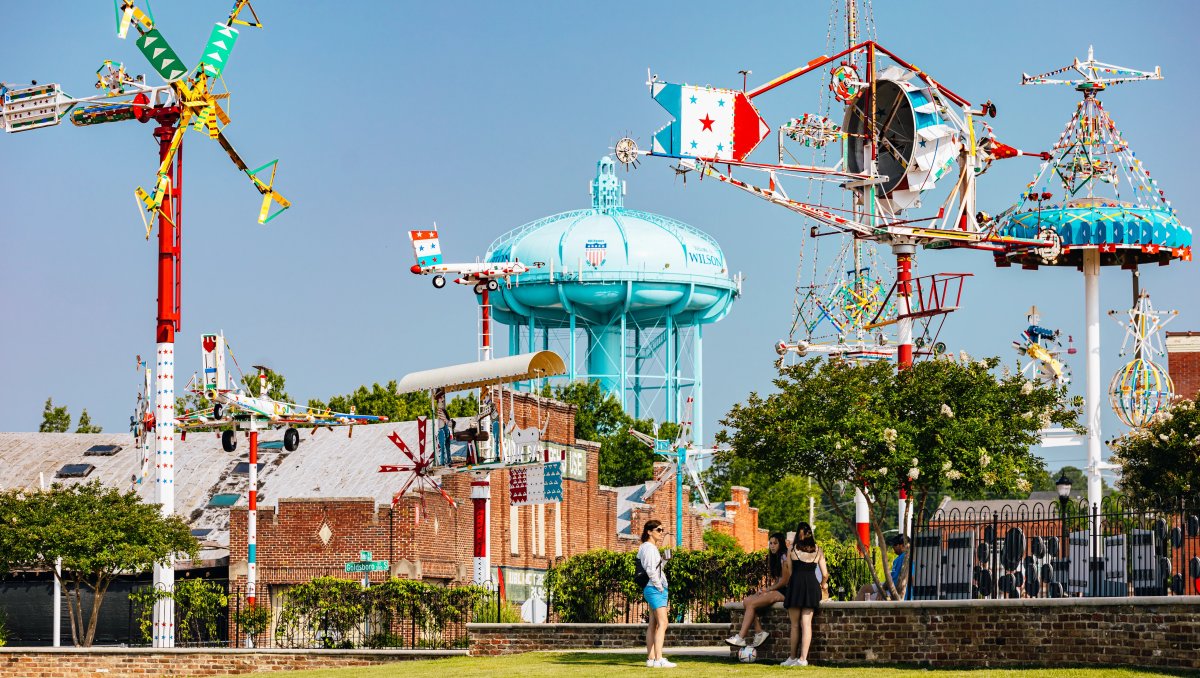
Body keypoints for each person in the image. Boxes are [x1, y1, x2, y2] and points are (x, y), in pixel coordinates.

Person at [726, 532, 789, 648]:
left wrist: (768, 589)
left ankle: (740, 637)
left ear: (781, 544)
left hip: (786, 591)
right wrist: (765, 590)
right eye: (770, 543)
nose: (772, 546)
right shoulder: (774, 558)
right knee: (747, 601)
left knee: (752, 604)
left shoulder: (784, 556)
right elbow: (777, 580)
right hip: (778, 589)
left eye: (775, 543)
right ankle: (759, 632)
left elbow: (784, 581)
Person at [781, 521, 827, 667]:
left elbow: (789, 571)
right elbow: (825, 574)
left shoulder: (792, 549)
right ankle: (803, 659)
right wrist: (822, 584)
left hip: (796, 586)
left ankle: (792, 657)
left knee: (795, 625)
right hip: (812, 586)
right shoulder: (818, 550)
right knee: (806, 624)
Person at [638, 519, 675, 669]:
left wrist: (664, 560)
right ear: (649, 532)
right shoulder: (648, 548)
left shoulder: (650, 548)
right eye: (658, 530)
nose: (661, 532)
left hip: (653, 587)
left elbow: (656, 568)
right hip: (654, 588)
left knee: (653, 624)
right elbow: (650, 570)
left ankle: (651, 658)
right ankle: (659, 659)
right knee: (663, 622)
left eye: (662, 530)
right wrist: (660, 587)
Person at [855, 534, 910, 601]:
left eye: (895, 545)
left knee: (866, 595)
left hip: (895, 591)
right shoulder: (901, 557)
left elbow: (893, 582)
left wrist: (881, 591)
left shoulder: (903, 558)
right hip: (891, 585)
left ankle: (851, 610)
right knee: (865, 588)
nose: (892, 547)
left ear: (902, 546)